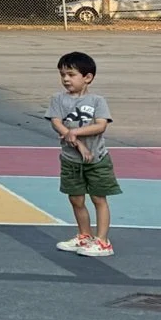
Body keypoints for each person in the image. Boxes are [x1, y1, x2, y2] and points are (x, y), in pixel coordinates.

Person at [49, 49, 119, 258]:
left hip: (96, 159)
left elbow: (100, 125)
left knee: (98, 198)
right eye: (62, 74)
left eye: (71, 75)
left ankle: (103, 241)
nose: (66, 79)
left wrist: (75, 133)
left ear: (87, 78)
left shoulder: (97, 101)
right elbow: (56, 122)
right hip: (71, 159)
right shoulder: (57, 99)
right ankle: (84, 235)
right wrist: (78, 143)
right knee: (76, 199)